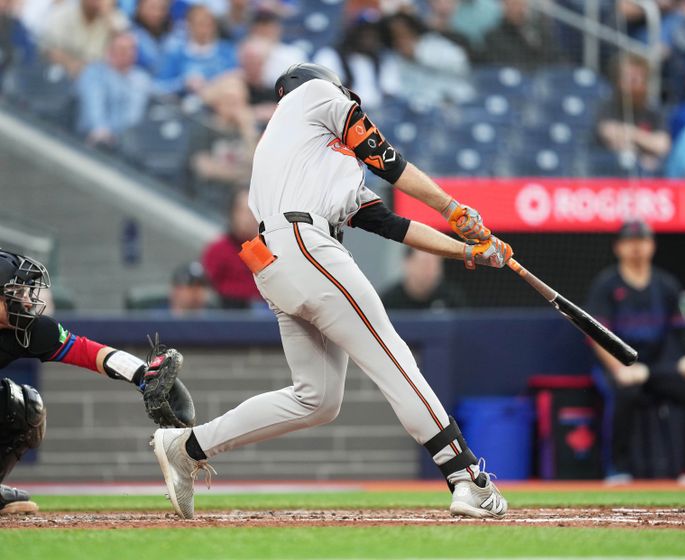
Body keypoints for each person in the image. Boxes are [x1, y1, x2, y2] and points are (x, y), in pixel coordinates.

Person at [150, 63, 512, 520]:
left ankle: (188, 447)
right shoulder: (311, 95)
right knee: (389, 351)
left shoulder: (308, 159)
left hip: (277, 261)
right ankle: (464, 476)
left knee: (316, 398)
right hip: (305, 243)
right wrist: (453, 207)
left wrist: (470, 252)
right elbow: (388, 159)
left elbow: (391, 225)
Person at [0, 250, 193, 514]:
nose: (25, 300)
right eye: (15, 293)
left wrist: (143, 375)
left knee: (22, 407)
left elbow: (86, 351)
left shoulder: (29, 330)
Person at [586, 220, 685, 484]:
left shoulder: (666, 284)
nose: (636, 248)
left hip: (655, 367)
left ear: (652, 246)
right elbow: (596, 336)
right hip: (617, 368)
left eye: (642, 241)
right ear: (618, 248)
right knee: (625, 393)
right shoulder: (607, 285)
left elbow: (683, 329)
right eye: (630, 242)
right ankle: (618, 469)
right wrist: (618, 367)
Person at [188, 74, 258, 206]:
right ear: (217, 103)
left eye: (239, 102)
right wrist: (241, 173)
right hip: (202, 198)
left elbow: (255, 171)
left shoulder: (247, 132)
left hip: (236, 204)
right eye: (230, 101)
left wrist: (248, 132)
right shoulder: (204, 126)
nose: (235, 107)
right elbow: (204, 168)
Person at [595, 54, 671, 175]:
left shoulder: (653, 109)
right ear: (618, 79)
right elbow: (608, 133)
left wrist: (629, 133)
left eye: (636, 78)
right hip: (608, 174)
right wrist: (643, 148)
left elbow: (662, 144)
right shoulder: (608, 104)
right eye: (628, 77)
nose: (632, 83)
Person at [75, 31, 151, 147]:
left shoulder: (142, 79)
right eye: (120, 49)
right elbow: (94, 103)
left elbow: (163, 91)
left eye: (130, 49)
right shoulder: (95, 71)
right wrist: (100, 129)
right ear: (109, 51)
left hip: (127, 145)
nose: (125, 53)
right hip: (93, 138)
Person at [380, 12, 473, 105]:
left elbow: (460, 63)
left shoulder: (433, 43)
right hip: (418, 109)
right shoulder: (391, 59)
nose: (401, 39)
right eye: (395, 36)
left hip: (455, 100)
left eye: (404, 33)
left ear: (413, 30)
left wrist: (418, 54)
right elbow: (391, 88)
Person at [313, 11, 387, 110]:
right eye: (363, 32)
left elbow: (389, 94)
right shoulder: (330, 55)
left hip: (376, 116)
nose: (369, 37)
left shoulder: (381, 59)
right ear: (352, 32)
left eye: (373, 33)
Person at [156, 5, 237, 95]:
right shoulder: (176, 53)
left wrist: (216, 84)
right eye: (199, 24)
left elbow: (237, 79)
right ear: (189, 25)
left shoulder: (227, 51)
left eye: (208, 24)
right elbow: (159, 86)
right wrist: (183, 83)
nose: (204, 29)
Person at [201, 189, 262, 309]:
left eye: (252, 211)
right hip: (227, 314)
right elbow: (206, 291)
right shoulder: (218, 250)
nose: (248, 218)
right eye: (243, 211)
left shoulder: (262, 248)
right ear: (232, 213)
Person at [39, 0, 128, 77]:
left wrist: (108, 16)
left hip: (102, 75)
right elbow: (48, 48)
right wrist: (70, 63)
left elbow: (126, 50)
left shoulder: (115, 18)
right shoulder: (62, 14)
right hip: (65, 75)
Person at [479, 0, 560, 71]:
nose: (517, 8)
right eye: (512, 4)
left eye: (520, 3)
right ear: (503, 7)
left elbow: (555, 57)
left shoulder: (539, 30)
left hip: (545, 81)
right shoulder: (494, 37)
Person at [382, 248, 466, 310]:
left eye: (435, 263)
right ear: (408, 263)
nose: (430, 270)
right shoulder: (388, 301)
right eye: (425, 263)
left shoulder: (452, 299)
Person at [130, 0, 174, 75]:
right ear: (139, 7)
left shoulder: (174, 36)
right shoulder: (129, 34)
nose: (156, 13)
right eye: (152, 7)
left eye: (161, 8)